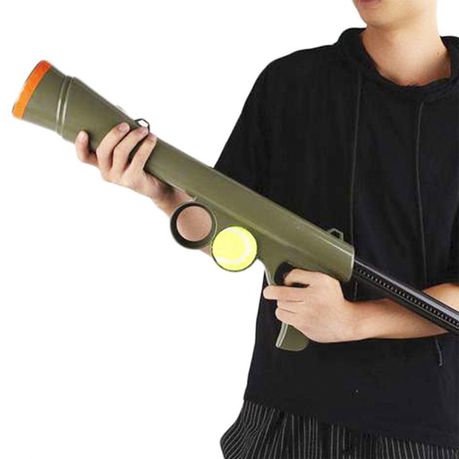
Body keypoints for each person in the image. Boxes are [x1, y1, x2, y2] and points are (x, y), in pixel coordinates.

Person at [74, 0, 459, 457]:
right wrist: (161, 192)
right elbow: (228, 232)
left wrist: (353, 321)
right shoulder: (292, 84)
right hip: (286, 415)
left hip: (422, 430)